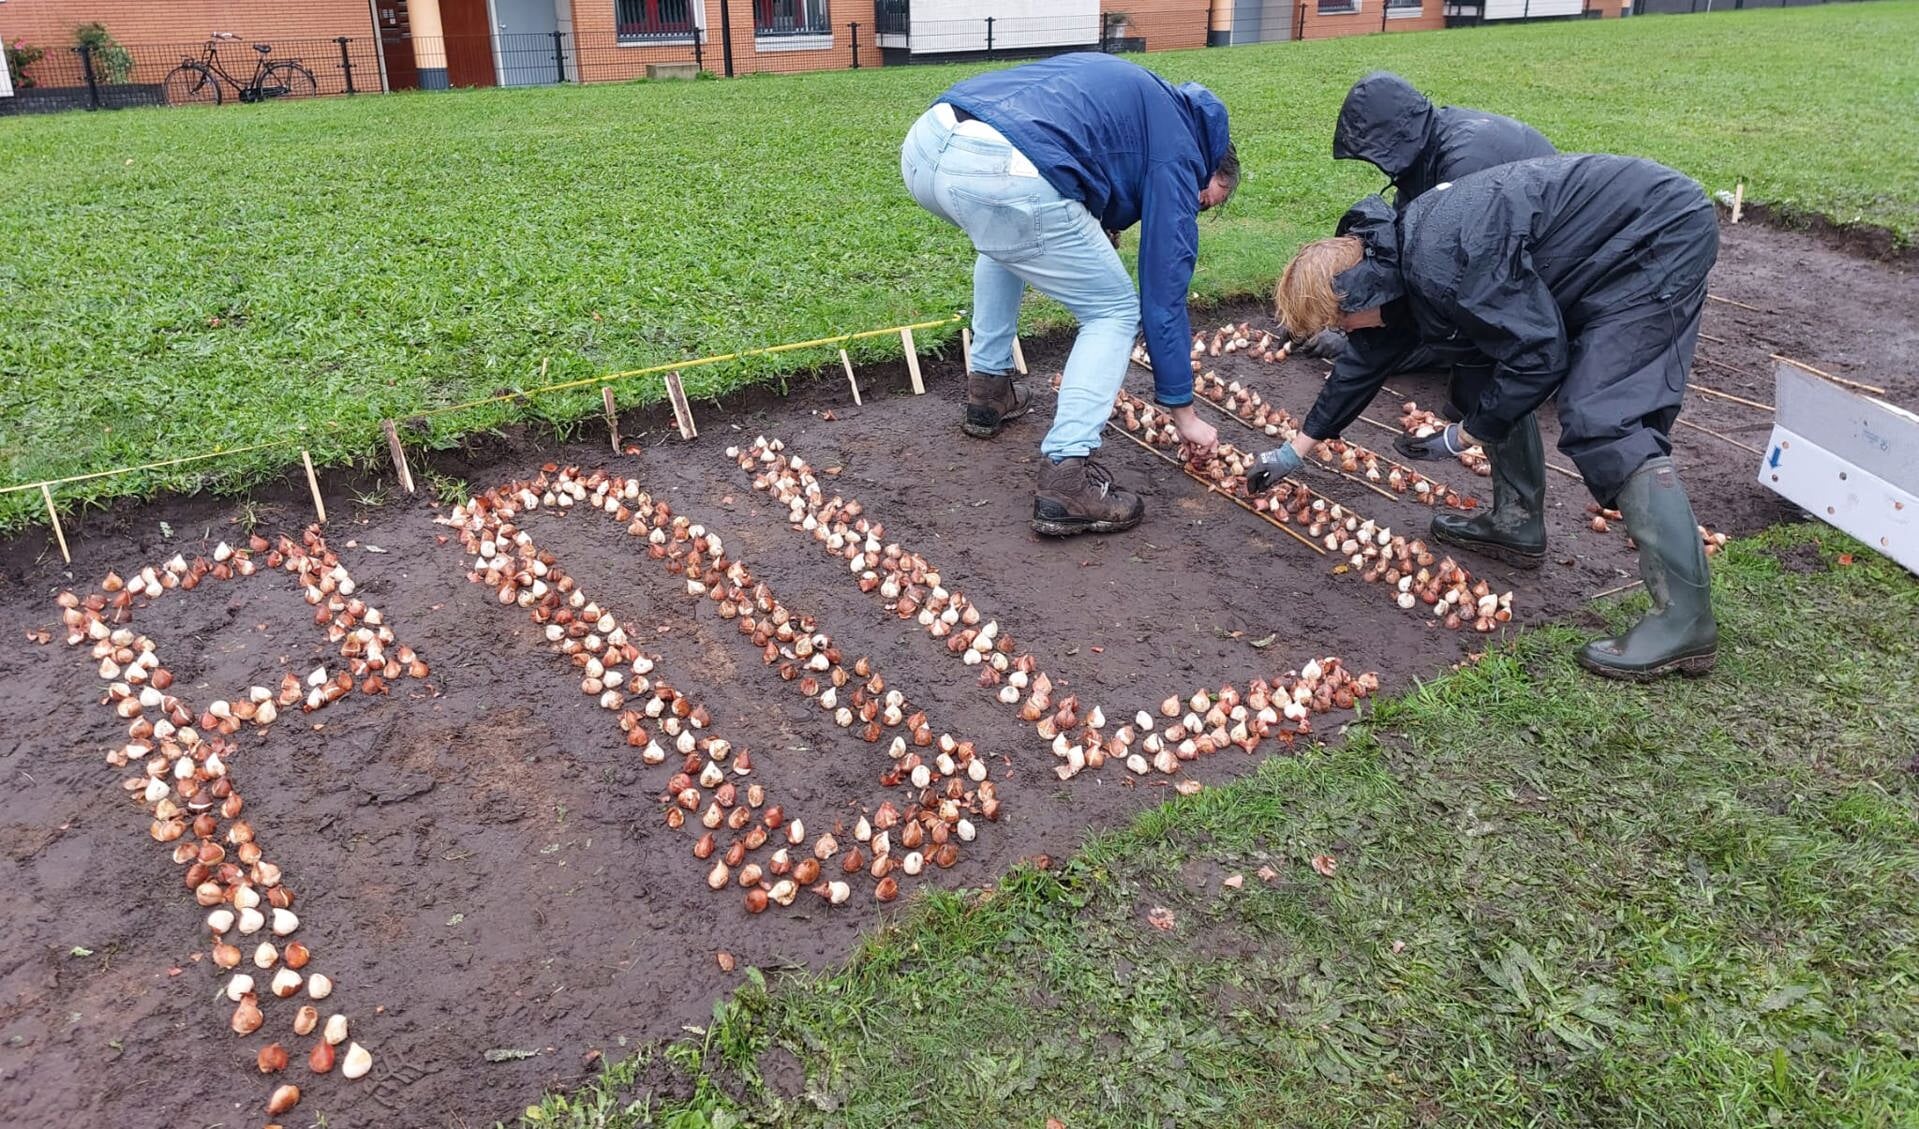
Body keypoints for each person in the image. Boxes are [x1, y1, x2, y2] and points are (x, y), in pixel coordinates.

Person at [1247, 154, 1721, 680]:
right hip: (1603, 244)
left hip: (1654, 232)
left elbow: (1539, 355)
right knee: (1479, 373)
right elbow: (1364, 363)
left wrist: (1462, 436)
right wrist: (1296, 451)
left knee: (1604, 412)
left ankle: (1684, 619)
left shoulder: (1446, 265)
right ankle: (1515, 524)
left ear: (1358, 295)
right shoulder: (1393, 261)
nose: (1349, 332)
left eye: (1342, 321)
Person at [900, 53, 1238, 537]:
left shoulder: (1147, 98)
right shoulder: (1180, 153)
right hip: (1000, 170)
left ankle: (988, 393)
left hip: (928, 143)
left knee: (1007, 241)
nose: (1195, 207)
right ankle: (1068, 477)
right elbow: (1164, 295)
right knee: (1113, 311)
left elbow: (1072, 141)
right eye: (1205, 200)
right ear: (1210, 166)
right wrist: (1184, 414)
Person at [1310, 71, 1558, 462]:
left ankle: (1517, 378)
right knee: (1407, 329)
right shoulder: (1427, 153)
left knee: (1423, 331)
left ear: (1395, 136)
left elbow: (1429, 282)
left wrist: (1355, 330)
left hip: (1539, 275)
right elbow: (1400, 250)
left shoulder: (1465, 162)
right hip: (1507, 266)